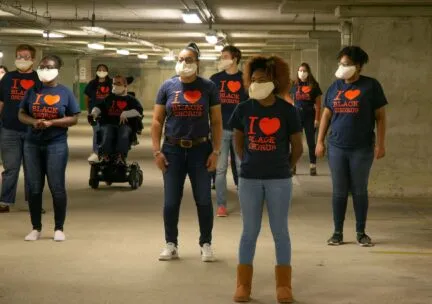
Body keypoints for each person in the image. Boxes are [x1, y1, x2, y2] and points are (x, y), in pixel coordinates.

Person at [230, 55, 303, 303]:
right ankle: (243, 285)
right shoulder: (243, 108)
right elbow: (238, 141)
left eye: (262, 79)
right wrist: (247, 161)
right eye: (253, 79)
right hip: (249, 178)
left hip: (279, 180)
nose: (256, 83)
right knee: (249, 231)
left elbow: (297, 147)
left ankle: (284, 286)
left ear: (275, 81)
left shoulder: (287, 111)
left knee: (280, 231)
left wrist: (286, 166)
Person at [151, 42, 222, 262]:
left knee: (203, 199)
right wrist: (156, 151)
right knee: (171, 201)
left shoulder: (208, 87)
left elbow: (217, 122)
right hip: (172, 150)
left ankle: (206, 244)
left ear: (197, 63)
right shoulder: (167, 87)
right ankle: (170, 244)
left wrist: (216, 152)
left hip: (201, 150)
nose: (184, 63)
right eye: (181, 59)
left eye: (189, 59)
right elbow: (156, 121)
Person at [315, 46, 388, 247]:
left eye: (346, 64)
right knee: (339, 191)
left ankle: (361, 232)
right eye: (340, 63)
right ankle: (337, 232)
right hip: (337, 146)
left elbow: (380, 118)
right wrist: (320, 141)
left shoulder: (371, 86)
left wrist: (380, 145)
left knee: (359, 190)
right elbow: (327, 115)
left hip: (362, 148)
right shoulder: (334, 87)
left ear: (358, 66)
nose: (342, 67)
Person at [18, 54, 80, 241]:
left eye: (49, 67)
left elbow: (74, 118)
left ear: (57, 70)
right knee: (34, 187)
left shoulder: (65, 92)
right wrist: (34, 121)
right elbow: (21, 114)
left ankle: (58, 228)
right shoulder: (32, 91)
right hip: (32, 144)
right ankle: (36, 228)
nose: (45, 70)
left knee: (57, 186)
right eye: (42, 66)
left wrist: (52, 123)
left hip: (56, 143)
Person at [0, 44, 42, 213]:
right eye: (19, 56)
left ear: (32, 59)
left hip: (32, 129)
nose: (21, 60)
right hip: (9, 129)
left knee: (33, 168)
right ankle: (5, 201)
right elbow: (1, 101)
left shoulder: (39, 78)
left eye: (25, 57)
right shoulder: (8, 78)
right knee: (11, 167)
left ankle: (34, 202)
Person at [210, 45, 247, 217]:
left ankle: (246, 203)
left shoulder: (245, 79)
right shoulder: (215, 79)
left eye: (225, 56)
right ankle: (221, 205)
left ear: (235, 59)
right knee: (220, 169)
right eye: (222, 56)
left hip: (240, 130)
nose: (222, 59)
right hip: (221, 129)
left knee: (241, 168)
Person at [90, 75, 143, 164]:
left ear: (125, 85)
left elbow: (139, 110)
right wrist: (94, 113)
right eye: (114, 83)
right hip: (109, 123)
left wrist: (126, 113)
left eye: (118, 83)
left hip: (125, 125)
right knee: (107, 131)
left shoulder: (131, 99)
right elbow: (99, 107)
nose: (115, 85)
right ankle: (105, 155)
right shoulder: (109, 98)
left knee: (124, 133)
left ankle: (120, 156)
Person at [290, 63, 322, 176]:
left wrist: (317, 119)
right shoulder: (294, 85)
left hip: (310, 116)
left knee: (310, 142)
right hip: (297, 116)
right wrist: (292, 104)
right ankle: (293, 165)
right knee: (295, 142)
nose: (302, 73)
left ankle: (313, 165)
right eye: (300, 70)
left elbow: (318, 104)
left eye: (304, 71)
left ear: (308, 72)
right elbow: (286, 95)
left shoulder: (314, 85)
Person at [85, 64, 112, 162]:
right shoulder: (92, 83)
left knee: (107, 132)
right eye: (99, 70)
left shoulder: (111, 83)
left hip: (108, 112)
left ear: (107, 71)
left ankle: (106, 153)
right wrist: (89, 109)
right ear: (96, 71)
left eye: (103, 70)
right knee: (97, 132)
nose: (101, 71)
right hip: (95, 112)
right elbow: (87, 96)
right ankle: (96, 152)